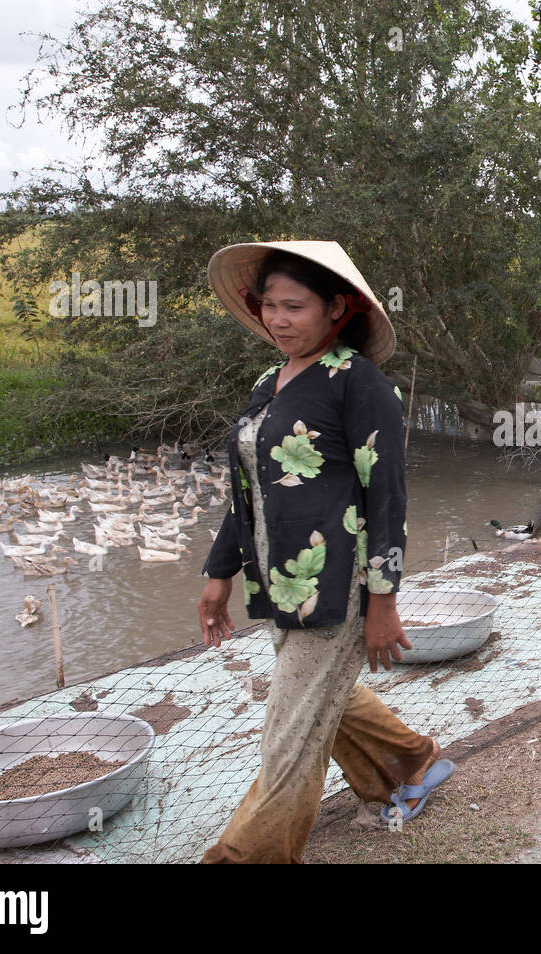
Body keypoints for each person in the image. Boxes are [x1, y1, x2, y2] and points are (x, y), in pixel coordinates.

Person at [196, 240, 452, 863]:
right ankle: (413, 760)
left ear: (337, 308)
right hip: (280, 582)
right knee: (317, 701)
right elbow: (249, 489)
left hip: (337, 585)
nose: (277, 319)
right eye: (268, 306)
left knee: (287, 743)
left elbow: (387, 497)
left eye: (294, 307)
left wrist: (383, 601)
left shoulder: (358, 383)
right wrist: (218, 570)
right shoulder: (268, 383)